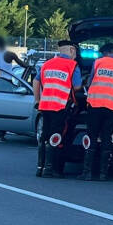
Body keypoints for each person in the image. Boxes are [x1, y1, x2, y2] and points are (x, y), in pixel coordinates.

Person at [80, 42, 113, 181]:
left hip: (96, 105)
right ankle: (103, 174)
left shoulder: (98, 63)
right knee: (107, 137)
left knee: (92, 136)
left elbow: (90, 83)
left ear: (105, 53)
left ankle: (87, 172)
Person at [32, 40, 82, 178]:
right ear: (72, 50)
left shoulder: (47, 64)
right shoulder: (72, 65)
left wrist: (37, 100)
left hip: (45, 105)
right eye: (75, 52)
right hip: (60, 106)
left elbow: (36, 81)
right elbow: (77, 86)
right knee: (57, 137)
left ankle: (40, 167)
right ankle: (52, 169)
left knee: (44, 136)